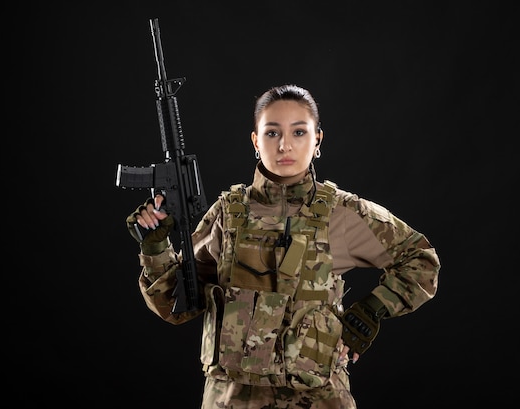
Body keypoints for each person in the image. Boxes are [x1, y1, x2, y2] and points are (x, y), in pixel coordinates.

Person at [125, 84, 441, 408]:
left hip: (317, 399)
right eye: (272, 133)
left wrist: (372, 311)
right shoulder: (226, 214)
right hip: (232, 400)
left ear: (317, 139)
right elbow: (176, 307)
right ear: (255, 141)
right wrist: (154, 246)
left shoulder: (343, 213)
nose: (285, 145)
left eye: (299, 132)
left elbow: (420, 259)